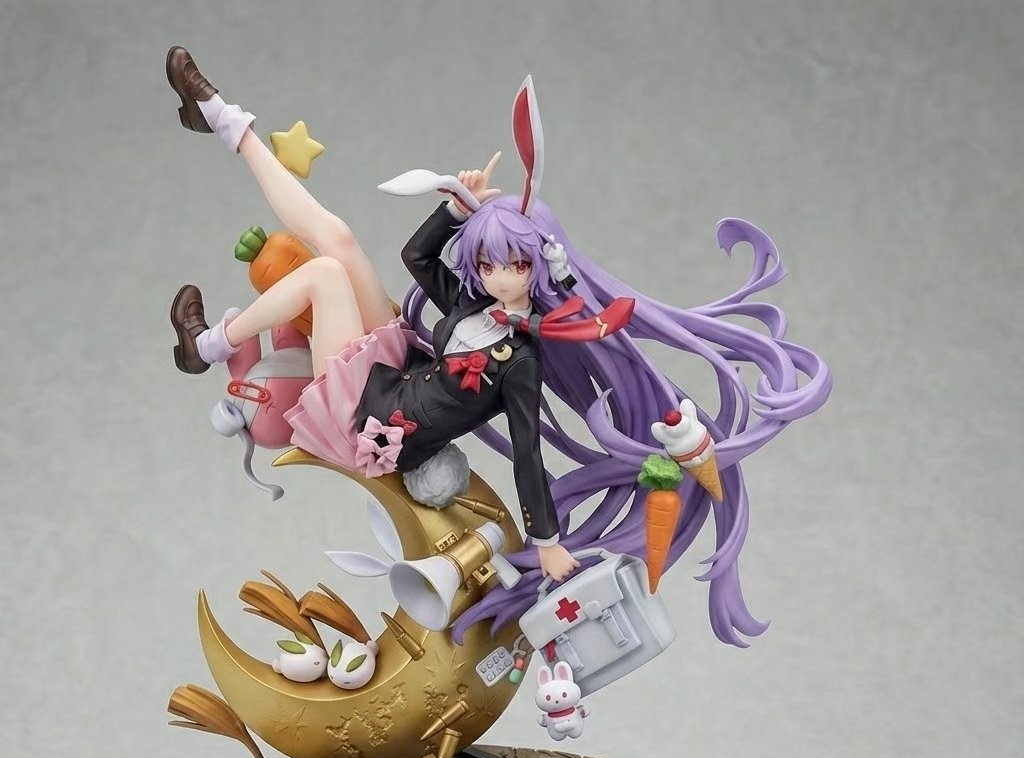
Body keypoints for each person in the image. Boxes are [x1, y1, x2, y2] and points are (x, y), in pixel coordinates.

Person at [164, 47, 832, 641]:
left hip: (368, 423)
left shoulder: (521, 361)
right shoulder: (470, 306)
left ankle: (210, 345)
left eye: (510, 263)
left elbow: (528, 455)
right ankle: (222, 119)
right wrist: (458, 207)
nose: (493, 275)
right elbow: (416, 256)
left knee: (324, 276)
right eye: (484, 261)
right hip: (387, 372)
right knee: (337, 239)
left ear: (536, 269)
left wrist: (546, 540)